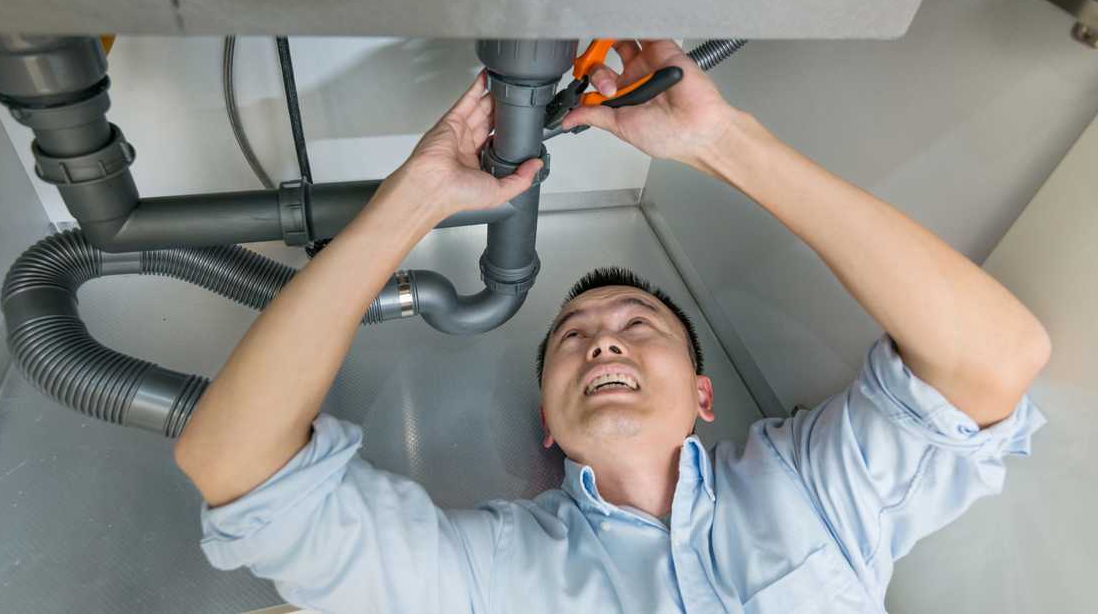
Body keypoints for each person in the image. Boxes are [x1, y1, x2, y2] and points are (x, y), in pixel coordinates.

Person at [174, 39, 1049, 613]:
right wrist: (416, 196)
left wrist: (724, 143)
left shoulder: (810, 490)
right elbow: (232, 462)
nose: (603, 340)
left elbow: (998, 356)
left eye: (641, 324)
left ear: (704, 395)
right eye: (572, 339)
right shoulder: (496, 574)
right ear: (548, 428)